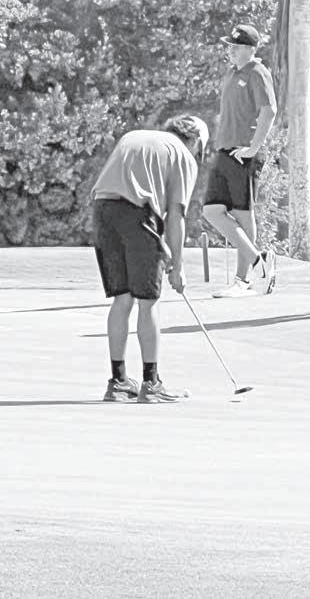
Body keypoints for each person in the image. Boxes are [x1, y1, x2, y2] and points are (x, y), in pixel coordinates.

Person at [91, 114, 209, 402]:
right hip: (138, 215)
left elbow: (132, 198)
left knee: (122, 299)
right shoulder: (183, 156)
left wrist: (159, 244)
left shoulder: (136, 137)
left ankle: (118, 382)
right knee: (148, 301)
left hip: (102, 211)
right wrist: (178, 266)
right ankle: (151, 383)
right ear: (195, 141)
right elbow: (176, 216)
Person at [202, 23, 277, 298]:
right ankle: (259, 261)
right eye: (230, 46)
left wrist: (253, 148)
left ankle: (243, 281)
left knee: (243, 213)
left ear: (250, 49)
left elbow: (269, 110)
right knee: (212, 211)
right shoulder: (231, 73)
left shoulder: (257, 72)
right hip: (225, 150)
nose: (231, 50)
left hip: (244, 152)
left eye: (237, 46)